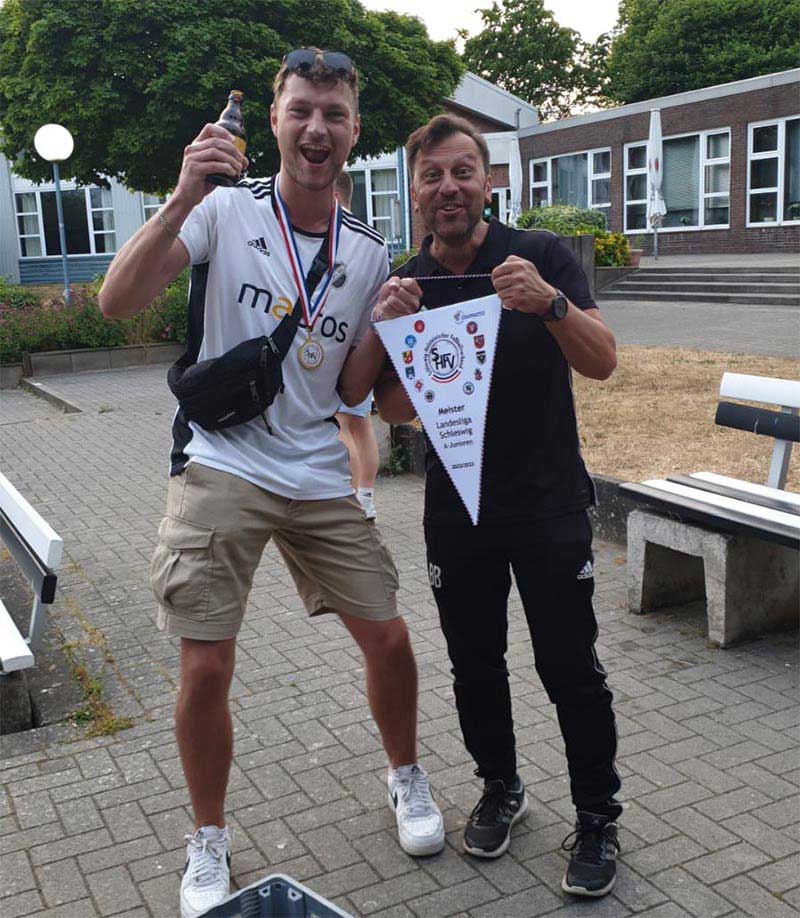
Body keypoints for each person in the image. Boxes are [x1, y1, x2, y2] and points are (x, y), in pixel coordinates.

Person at [98, 50, 444, 918]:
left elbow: (355, 390)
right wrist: (180, 192)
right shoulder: (221, 210)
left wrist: (393, 328)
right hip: (223, 460)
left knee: (392, 642)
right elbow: (116, 302)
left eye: (334, 113)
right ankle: (207, 839)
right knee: (208, 666)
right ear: (278, 122)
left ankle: (405, 777)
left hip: (319, 469)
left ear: (355, 131)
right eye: (301, 111)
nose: (317, 128)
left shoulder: (367, 253)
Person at [368, 114, 623, 898]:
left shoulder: (539, 255)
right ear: (415, 192)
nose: (448, 188)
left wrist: (549, 305)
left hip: (548, 502)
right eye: (432, 176)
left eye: (463, 172)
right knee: (475, 665)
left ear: (489, 180)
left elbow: (604, 361)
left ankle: (598, 817)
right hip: (456, 509)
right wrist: (393, 331)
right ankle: (501, 787)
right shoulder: (410, 278)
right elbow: (393, 411)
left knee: (568, 667)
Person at [334, 170, 380, 520]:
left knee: (340, 425)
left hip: (339, 355)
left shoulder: (337, 238)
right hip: (367, 349)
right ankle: (366, 497)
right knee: (361, 425)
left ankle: (348, 497)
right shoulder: (368, 241)